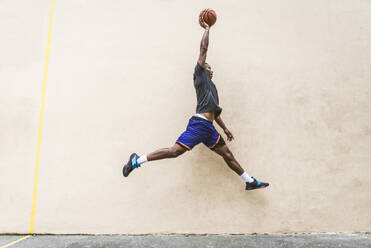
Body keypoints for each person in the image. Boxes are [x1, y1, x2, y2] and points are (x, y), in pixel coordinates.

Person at [123, 17, 269, 191]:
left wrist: (225, 128)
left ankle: (249, 181)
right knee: (174, 151)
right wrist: (207, 29)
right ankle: (137, 160)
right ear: (203, 68)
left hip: (209, 128)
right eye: (209, 67)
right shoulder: (199, 76)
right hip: (199, 125)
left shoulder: (213, 88)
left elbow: (215, 112)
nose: (211, 69)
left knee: (227, 154)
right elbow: (203, 49)